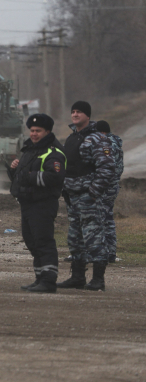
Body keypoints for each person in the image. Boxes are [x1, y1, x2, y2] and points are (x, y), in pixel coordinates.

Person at [56, 101, 116, 292]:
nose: (75, 115)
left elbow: (107, 168)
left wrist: (93, 192)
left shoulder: (97, 138)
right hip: (72, 197)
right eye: (73, 111)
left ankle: (98, 279)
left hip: (88, 197)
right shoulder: (72, 138)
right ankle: (77, 277)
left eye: (79, 112)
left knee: (94, 237)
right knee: (75, 239)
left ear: (87, 115)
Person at [7, 113, 66, 293]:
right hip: (27, 204)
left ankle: (49, 281)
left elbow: (55, 177)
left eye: (38, 131)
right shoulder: (30, 150)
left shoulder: (53, 152)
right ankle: (40, 277)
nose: (34, 134)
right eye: (32, 130)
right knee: (32, 241)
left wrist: (29, 176)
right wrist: (14, 170)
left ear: (47, 131)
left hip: (43, 204)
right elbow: (20, 178)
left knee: (43, 241)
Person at [95, 120, 124, 263]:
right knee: (108, 218)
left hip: (106, 186)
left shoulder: (108, 144)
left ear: (102, 132)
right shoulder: (115, 143)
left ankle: (105, 253)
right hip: (112, 186)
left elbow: (107, 168)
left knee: (102, 219)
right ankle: (110, 252)